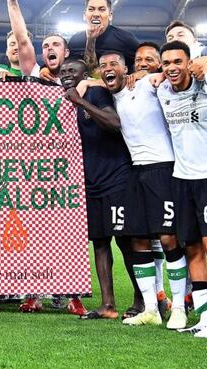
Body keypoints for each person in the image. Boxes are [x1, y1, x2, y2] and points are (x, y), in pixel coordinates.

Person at [82, 51, 181, 327]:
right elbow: (94, 78)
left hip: (163, 167)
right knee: (138, 240)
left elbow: (177, 73)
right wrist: (87, 82)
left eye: (114, 64)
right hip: (135, 172)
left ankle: (179, 308)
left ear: (126, 69)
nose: (108, 68)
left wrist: (154, 74)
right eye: (103, 65)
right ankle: (150, 309)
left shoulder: (148, 84)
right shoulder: (111, 95)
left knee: (169, 239)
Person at [156, 41, 207, 332]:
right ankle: (204, 314)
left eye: (177, 62)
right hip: (182, 178)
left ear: (189, 62)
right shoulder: (162, 90)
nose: (172, 68)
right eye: (166, 63)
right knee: (193, 248)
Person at [61, 57, 133, 320]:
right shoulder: (62, 101)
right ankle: (108, 305)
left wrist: (81, 101)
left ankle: (142, 301)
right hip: (90, 182)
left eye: (72, 71)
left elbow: (114, 123)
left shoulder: (95, 93)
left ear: (85, 75)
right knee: (100, 243)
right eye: (63, 71)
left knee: (126, 241)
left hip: (116, 177)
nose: (66, 74)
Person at [67, 0, 140, 72]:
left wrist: (140, 73)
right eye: (91, 9)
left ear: (110, 16)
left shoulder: (125, 38)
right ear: (84, 15)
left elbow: (146, 60)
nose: (96, 14)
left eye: (101, 9)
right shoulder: (75, 41)